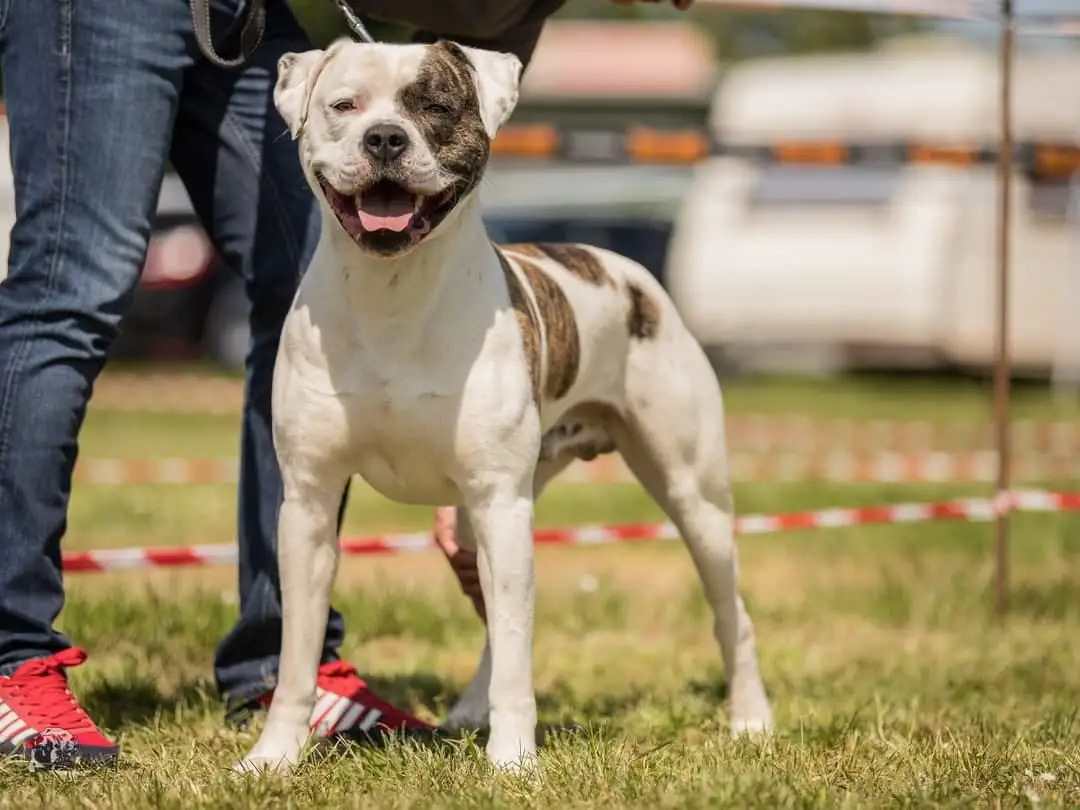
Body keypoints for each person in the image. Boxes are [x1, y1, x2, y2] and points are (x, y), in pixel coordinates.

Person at [0, 0, 692, 771]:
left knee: (307, 280)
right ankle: (10, 659)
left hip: (247, 9)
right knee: (73, 282)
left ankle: (279, 668)